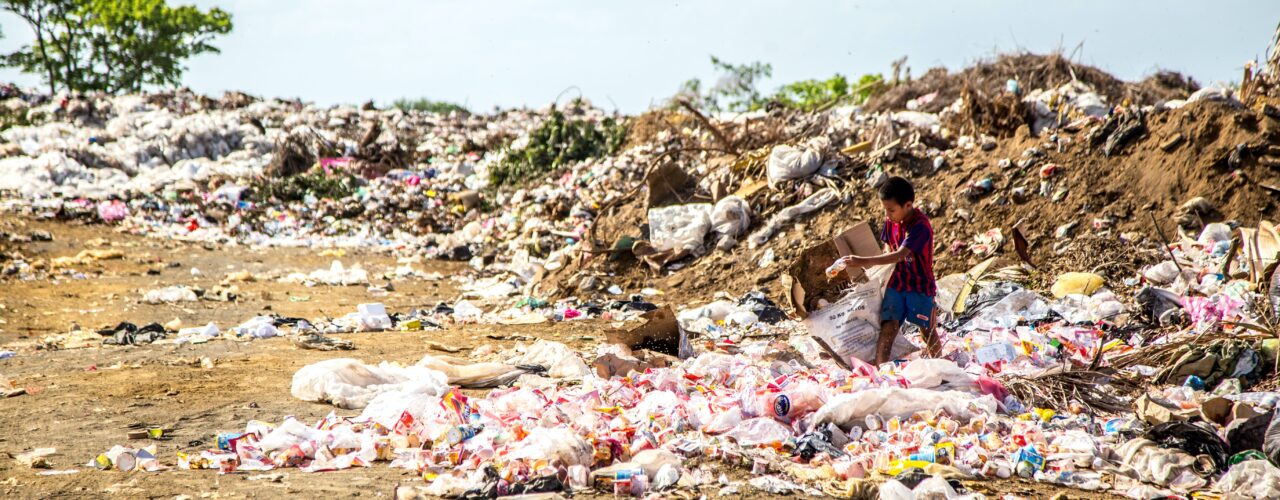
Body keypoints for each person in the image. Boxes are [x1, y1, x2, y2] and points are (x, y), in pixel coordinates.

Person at [835, 176, 941, 364]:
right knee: (888, 326)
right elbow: (888, 249)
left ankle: (941, 366)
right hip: (897, 282)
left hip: (919, 285)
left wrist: (861, 261)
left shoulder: (920, 227)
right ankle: (881, 370)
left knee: (927, 330)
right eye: (885, 209)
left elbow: (899, 255)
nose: (887, 215)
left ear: (908, 205)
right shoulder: (890, 221)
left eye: (891, 210)